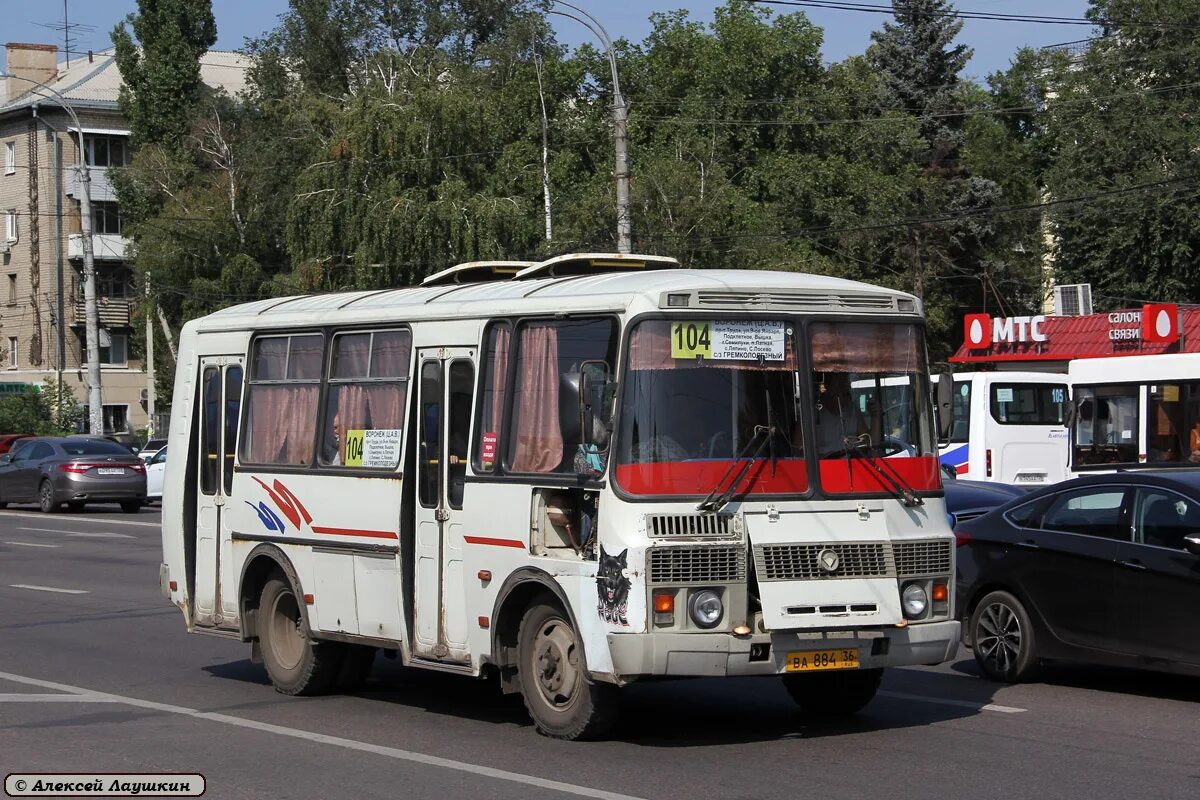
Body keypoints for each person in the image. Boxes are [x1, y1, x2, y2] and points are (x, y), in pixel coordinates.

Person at [813, 372, 868, 457]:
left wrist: (876, 417)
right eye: (841, 382)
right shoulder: (812, 413)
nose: (847, 387)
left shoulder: (853, 410)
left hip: (854, 466)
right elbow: (799, 451)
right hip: (823, 468)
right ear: (827, 386)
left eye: (847, 382)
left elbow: (868, 445)